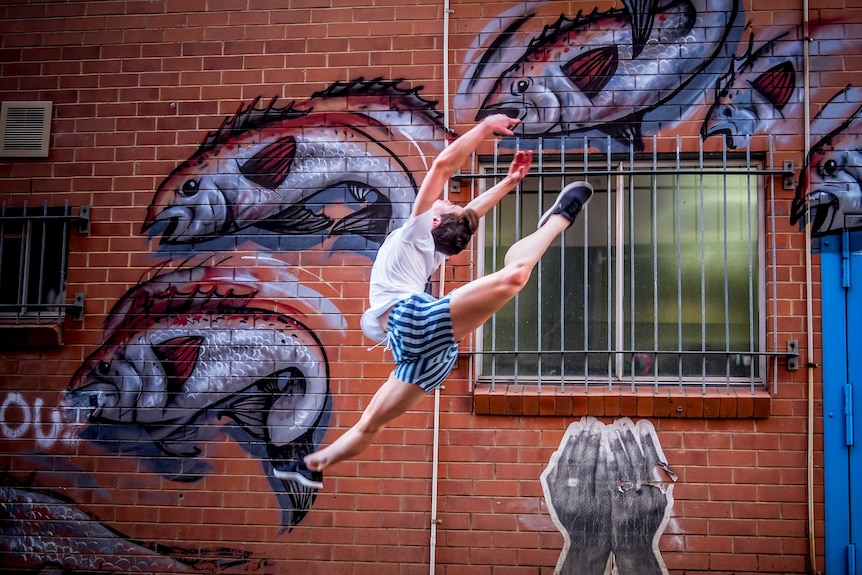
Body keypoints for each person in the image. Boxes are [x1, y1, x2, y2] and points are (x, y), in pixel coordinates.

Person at [275, 114, 593, 488]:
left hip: (417, 330)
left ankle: (558, 218)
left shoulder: (418, 232)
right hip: (419, 342)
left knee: (514, 278)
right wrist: (508, 183)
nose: (440, 201)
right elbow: (470, 214)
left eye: (442, 206)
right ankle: (311, 465)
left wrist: (483, 128)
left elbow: (445, 166)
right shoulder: (427, 242)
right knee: (370, 423)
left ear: (435, 223)